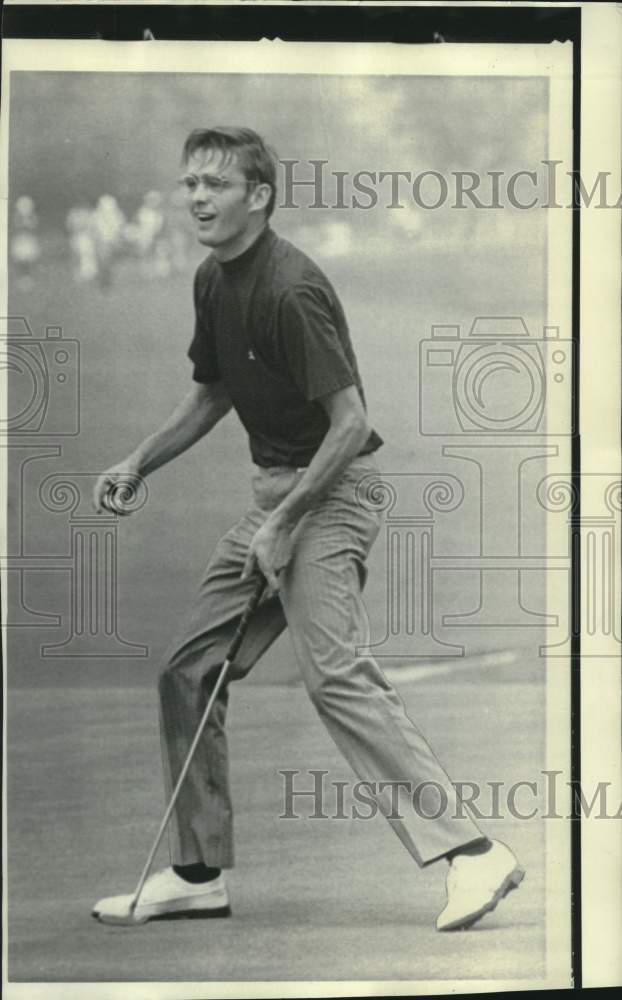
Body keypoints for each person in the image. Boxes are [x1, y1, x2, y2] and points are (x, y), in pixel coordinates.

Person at [92, 127, 523, 931]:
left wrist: (286, 522)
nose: (196, 199)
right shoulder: (213, 282)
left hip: (335, 493)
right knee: (190, 669)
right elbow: (214, 392)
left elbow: (352, 423)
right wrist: (138, 462)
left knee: (335, 675)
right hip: (280, 498)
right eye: (189, 184)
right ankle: (197, 872)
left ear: (258, 196)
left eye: (215, 185)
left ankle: (473, 852)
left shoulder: (291, 289)